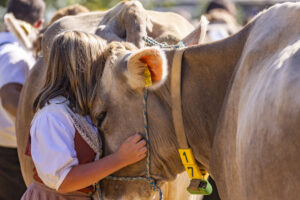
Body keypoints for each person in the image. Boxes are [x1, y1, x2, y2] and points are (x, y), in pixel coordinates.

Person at [21, 31, 147, 200]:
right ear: (85, 69)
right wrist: (120, 158)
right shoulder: (52, 117)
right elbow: (65, 181)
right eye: (100, 66)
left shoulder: (75, 112)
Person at [0, 0, 45, 199]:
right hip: (10, 153)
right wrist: (42, 133)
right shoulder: (14, 53)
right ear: (39, 24)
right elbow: (9, 97)